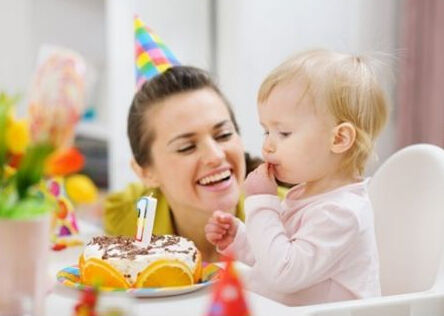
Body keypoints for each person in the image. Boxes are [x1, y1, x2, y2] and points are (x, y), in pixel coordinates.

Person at [205, 49, 389, 306]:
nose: (267, 146)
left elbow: (283, 273)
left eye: (283, 133)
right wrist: (240, 240)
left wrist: (261, 203)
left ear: (339, 139)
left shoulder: (341, 212)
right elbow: (276, 257)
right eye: (265, 131)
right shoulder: (306, 194)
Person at [104, 66, 284, 263]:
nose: (215, 156)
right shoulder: (126, 214)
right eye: (186, 147)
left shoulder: (295, 218)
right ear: (146, 173)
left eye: (224, 135)